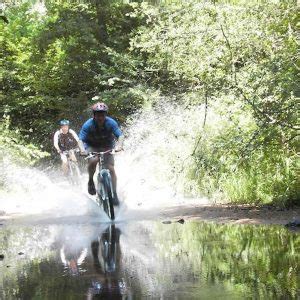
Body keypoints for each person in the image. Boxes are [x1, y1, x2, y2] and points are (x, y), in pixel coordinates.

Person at [79, 102, 124, 204]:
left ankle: (115, 194)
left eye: (102, 114)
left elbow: (120, 135)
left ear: (105, 115)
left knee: (111, 168)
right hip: (92, 146)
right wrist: (82, 150)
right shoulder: (88, 124)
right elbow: (80, 139)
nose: (100, 117)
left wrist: (119, 146)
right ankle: (90, 181)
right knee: (93, 161)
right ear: (94, 115)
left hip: (107, 146)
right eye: (98, 114)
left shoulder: (111, 122)